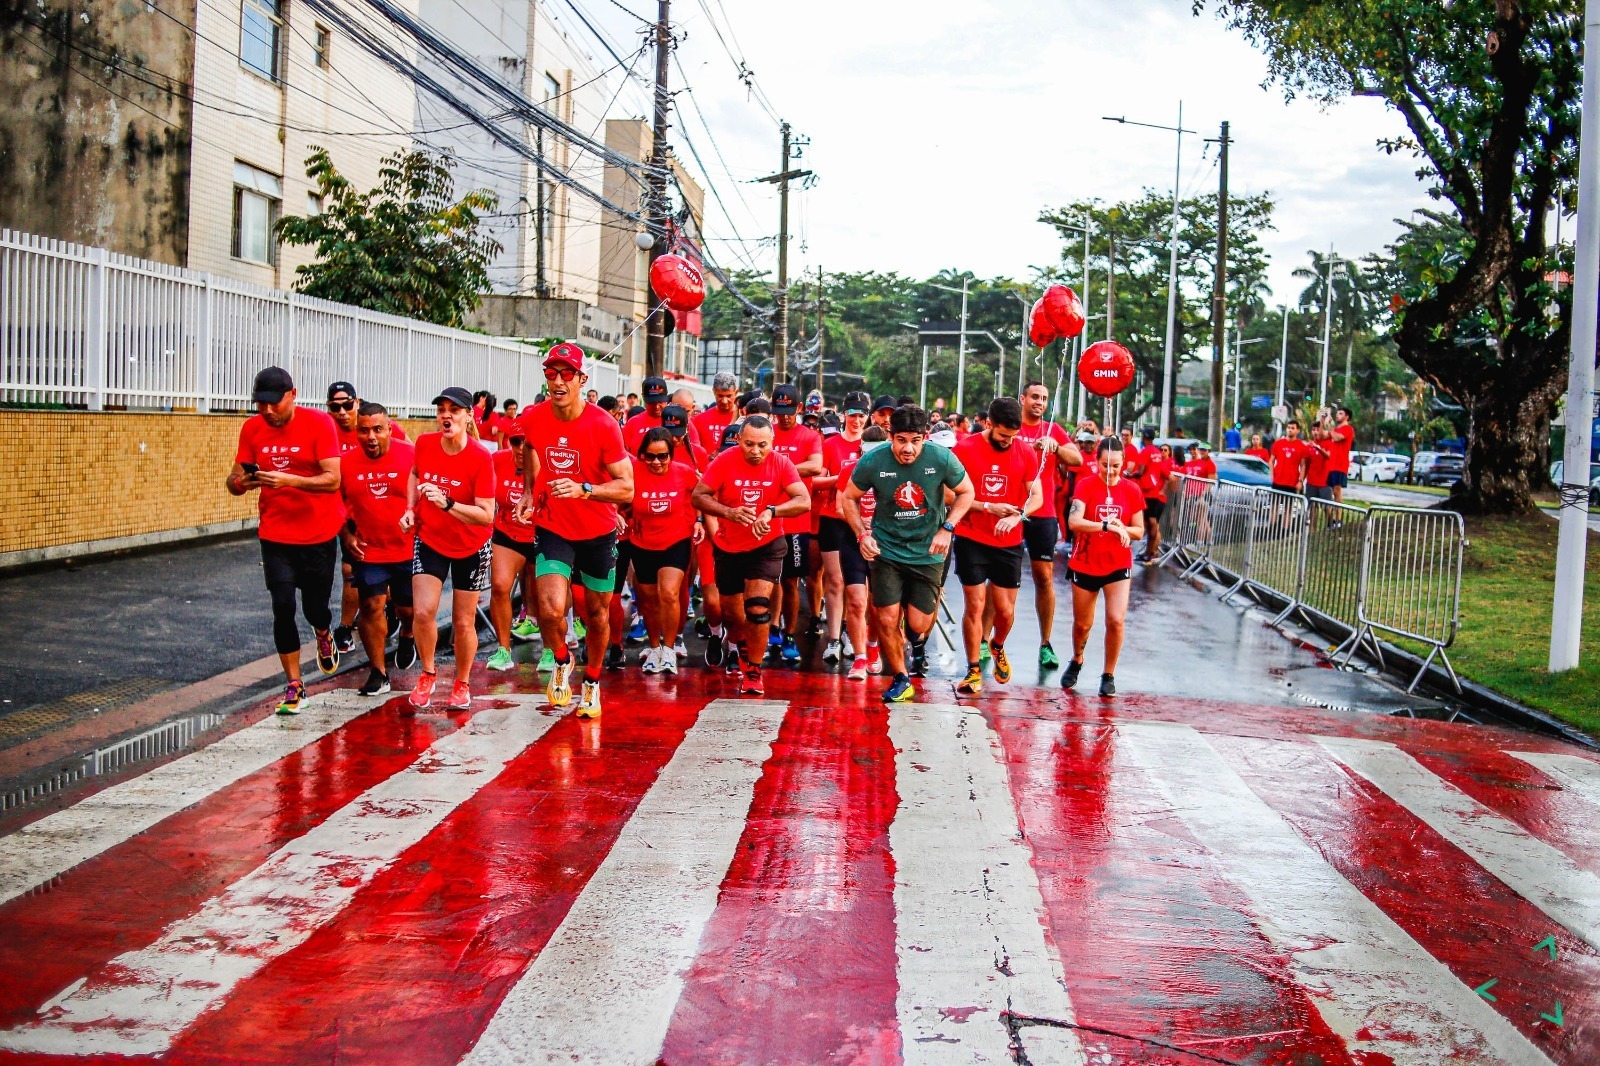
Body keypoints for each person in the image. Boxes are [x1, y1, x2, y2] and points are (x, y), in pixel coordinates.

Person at [516, 343, 633, 718]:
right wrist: (528, 492)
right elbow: (531, 450)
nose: (558, 380)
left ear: (582, 379)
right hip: (553, 525)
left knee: (597, 614)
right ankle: (563, 661)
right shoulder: (534, 417)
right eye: (552, 372)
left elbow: (626, 487)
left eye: (567, 374)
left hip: (597, 531)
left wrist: (586, 490)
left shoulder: (604, 425)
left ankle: (593, 682)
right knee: (549, 610)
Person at [226, 367, 343, 715]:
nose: (267, 411)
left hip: (318, 533)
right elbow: (232, 481)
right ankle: (295, 685)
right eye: (261, 404)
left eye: (274, 404)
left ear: (293, 394)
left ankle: (323, 632)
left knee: (314, 608)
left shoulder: (320, 424)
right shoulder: (252, 428)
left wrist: (288, 480)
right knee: (282, 606)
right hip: (276, 534)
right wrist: (242, 482)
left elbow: (333, 479)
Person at [840, 405, 975, 704]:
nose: (908, 448)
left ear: (926, 437)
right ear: (890, 436)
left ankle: (912, 636)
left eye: (915, 440)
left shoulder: (941, 458)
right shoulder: (873, 460)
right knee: (887, 618)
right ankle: (901, 678)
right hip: (886, 549)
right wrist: (862, 534)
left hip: (928, 551)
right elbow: (848, 497)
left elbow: (967, 491)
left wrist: (948, 527)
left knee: (918, 624)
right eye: (901, 440)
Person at [692, 416, 809, 696]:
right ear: (739, 441)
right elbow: (698, 496)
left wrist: (772, 510)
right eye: (749, 444)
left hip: (766, 544)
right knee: (733, 615)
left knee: (757, 607)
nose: (755, 451)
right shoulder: (724, 461)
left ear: (772, 442)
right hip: (729, 546)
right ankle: (742, 646)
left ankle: (754, 670)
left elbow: (803, 500)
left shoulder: (781, 463)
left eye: (762, 445)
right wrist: (728, 512)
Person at [401, 387, 495, 710]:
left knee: (463, 621)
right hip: (431, 539)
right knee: (424, 611)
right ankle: (428, 673)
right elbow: (414, 474)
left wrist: (447, 502)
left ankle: (462, 682)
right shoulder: (425, 444)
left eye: (454, 410)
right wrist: (411, 508)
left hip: (471, 545)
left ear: (469, 416)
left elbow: (486, 515)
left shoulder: (481, 457)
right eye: (441, 409)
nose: (446, 415)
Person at [952, 397, 1043, 696]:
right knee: (975, 605)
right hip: (972, 536)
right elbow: (947, 495)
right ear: (988, 424)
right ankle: (973, 669)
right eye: (1003, 435)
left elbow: (1037, 496)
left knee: (1005, 610)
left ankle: (997, 644)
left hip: (1008, 541)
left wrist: (1019, 515)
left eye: (1013, 437)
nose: (1008, 441)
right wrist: (987, 507)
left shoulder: (1025, 452)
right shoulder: (965, 448)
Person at [338, 402, 417, 696]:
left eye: (377, 430)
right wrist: (346, 535)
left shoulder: (410, 456)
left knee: (406, 608)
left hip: (407, 548)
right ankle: (378, 672)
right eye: (364, 431)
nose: (371, 437)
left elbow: (425, 495)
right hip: (369, 550)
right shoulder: (346, 463)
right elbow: (336, 502)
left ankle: (407, 633)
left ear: (389, 429)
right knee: (370, 606)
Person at [1064, 436, 1146, 698]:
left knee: (1116, 620)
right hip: (1086, 561)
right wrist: (1105, 526)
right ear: (1096, 462)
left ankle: (1108, 673)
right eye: (1104, 465)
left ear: (1123, 463)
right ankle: (1077, 658)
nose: (1109, 471)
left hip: (1117, 564)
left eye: (1115, 466)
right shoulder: (1086, 485)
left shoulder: (1132, 490)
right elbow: (1074, 522)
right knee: (1082, 625)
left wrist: (1123, 528)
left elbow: (1139, 530)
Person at [1011, 382, 1084, 668]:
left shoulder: (1053, 429)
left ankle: (1046, 643)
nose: (1040, 402)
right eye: (1035, 397)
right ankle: (985, 639)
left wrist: (1057, 449)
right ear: (1023, 399)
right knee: (1002, 577)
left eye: (1044, 398)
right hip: (1011, 509)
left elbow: (1076, 458)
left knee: (1044, 577)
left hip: (1043, 512)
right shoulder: (1012, 426)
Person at [624, 428, 701, 675]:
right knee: (647, 599)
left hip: (675, 540)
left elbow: (703, 495)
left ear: (671, 454)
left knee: (668, 593)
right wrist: (617, 513)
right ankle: (654, 647)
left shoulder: (685, 474)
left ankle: (669, 648)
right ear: (642, 455)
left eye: (663, 456)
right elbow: (618, 497)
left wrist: (699, 520)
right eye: (650, 456)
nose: (656, 462)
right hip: (642, 542)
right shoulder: (633, 472)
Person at [815, 391, 873, 677]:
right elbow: (815, 481)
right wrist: (841, 478)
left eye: (862, 415)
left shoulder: (874, 444)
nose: (857, 420)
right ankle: (834, 638)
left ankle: (854, 635)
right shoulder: (831, 444)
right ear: (844, 416)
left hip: (867, 522)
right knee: (835, 581)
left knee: (859, 587)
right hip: (833, 517)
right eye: (852, 414)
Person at [768, 384, 825, 664]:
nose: (784, 418)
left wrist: (779, 467)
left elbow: (816, 466)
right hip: (767, 518)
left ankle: (789, 634)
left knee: (790, 581)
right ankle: (772, 629)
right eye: (779, 412)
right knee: (769, 581)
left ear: (799, 409)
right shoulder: (766, 433)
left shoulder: (810, 436)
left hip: (796, 521)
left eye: (789, 412)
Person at [485, 426, 539, 673]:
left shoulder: (550, 464)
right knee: (499, 586)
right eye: (515, 442)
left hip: (544, 535)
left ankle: (551, 649)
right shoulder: (497, 461)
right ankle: (503, 649)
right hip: (508, 532)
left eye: (525, 443)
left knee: (547, 598)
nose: (520, 449)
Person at [1137, 437, 1175, 563]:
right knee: (1149, 525)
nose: (1163, 453)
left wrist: (1163, 492)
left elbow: (1172, 478)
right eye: (1161, 450)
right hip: (1151, 496)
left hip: (1157, 498)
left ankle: (1153, 552)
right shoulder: (1157, 464)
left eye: (1165, 450)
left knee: (1154, 525)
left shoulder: (1162, 465)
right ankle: (1149, 551)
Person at [1270, 420, 1313, 493]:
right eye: (1288, 428)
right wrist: (1272, 475)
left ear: (1298, 430)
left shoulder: (1302, 446)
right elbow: (1271, 460)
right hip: (1278, 480)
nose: (1290, 430)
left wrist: (1300, 481)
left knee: (1289, 504)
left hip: (1292, 482)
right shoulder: (1278, 443)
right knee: (1275, 503)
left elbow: (1303, 465)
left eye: (1293, 428)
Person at [1327, 406, 1356, 503]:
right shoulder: (1335, 429)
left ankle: (1338, 516)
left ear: (1347, 417)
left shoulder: (1348, 429)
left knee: (1337, 491)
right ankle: (1334, 515)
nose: (1337, 415)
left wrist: (1330, 425)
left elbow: (1337, 438)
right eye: (1337, 413)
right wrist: (1323, 422)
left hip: (1340, 465)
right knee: (1331, 491)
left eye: (1340, 414)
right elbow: (1322, 435)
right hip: (1332, 464)